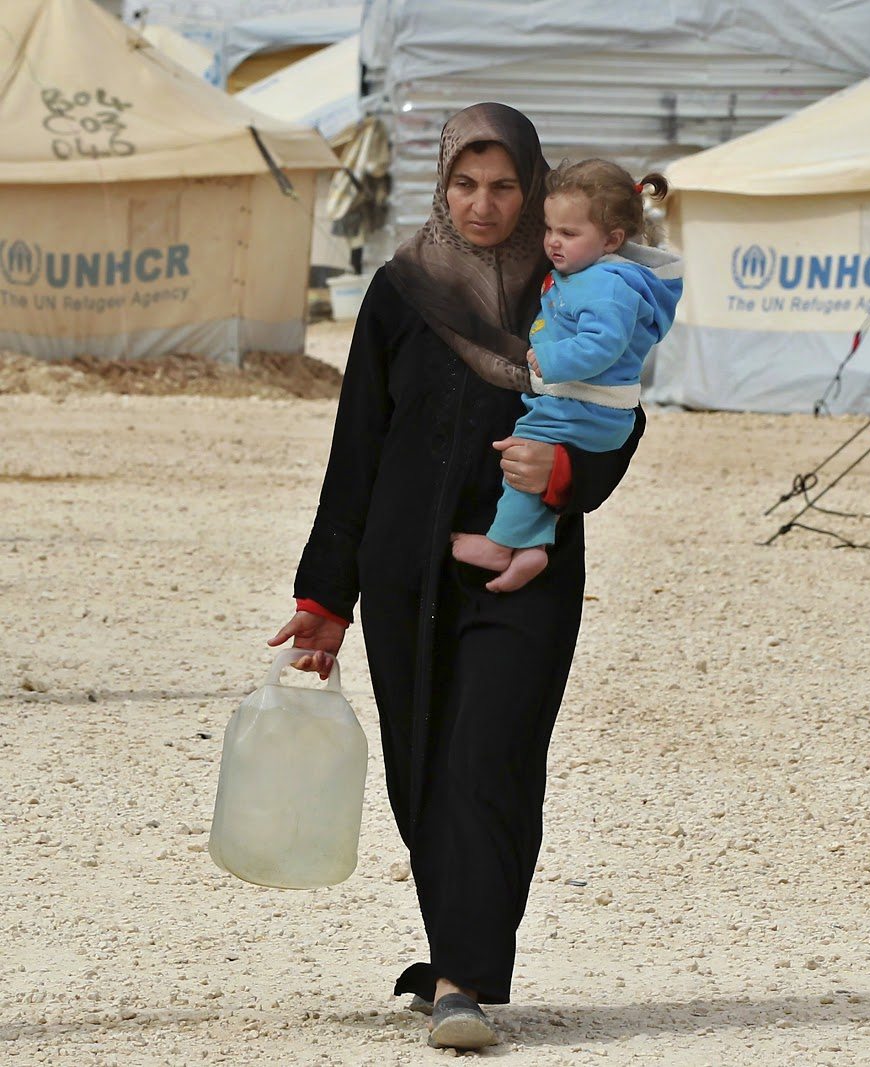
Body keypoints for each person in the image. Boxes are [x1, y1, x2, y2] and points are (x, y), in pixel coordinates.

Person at [267, 103, 644, 1051]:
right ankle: (454, 959)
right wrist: (324, 598)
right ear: (443, 186)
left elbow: (618, 413)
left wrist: (564, 477)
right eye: (465, 185)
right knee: (425, 767)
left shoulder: (569, 287)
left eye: (505, 185)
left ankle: (461, 980)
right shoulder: (399, 290)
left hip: (527, 567)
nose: (483, 205)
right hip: (403, 569)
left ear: (534, 187)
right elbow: (357, 448)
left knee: (491, 756)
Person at [451, 160, 681, 592]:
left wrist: (551, 359)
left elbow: (603, 344)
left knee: (524, 450)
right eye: (550, 230)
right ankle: (532, 549)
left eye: (569, 234)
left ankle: (501, 544)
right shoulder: (589, 274)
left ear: (612, 239)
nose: (554, 243)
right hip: (591, 404)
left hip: (586, 401)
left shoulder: (607, 285)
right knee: (531, 455)